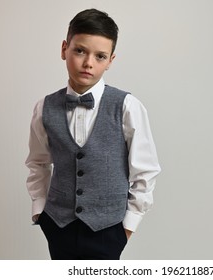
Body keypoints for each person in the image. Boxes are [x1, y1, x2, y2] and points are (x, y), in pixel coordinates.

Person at [25, 8, 161, 260]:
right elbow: (38, 162)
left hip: (108, 230)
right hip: (58, 225)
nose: (88, 63)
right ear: (64, 48)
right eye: (80, 51)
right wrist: (40, 211)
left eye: (100, 56)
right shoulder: (44, 107)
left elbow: (145, 171)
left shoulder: (127, 106)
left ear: (111, 60)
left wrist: (127, 228)